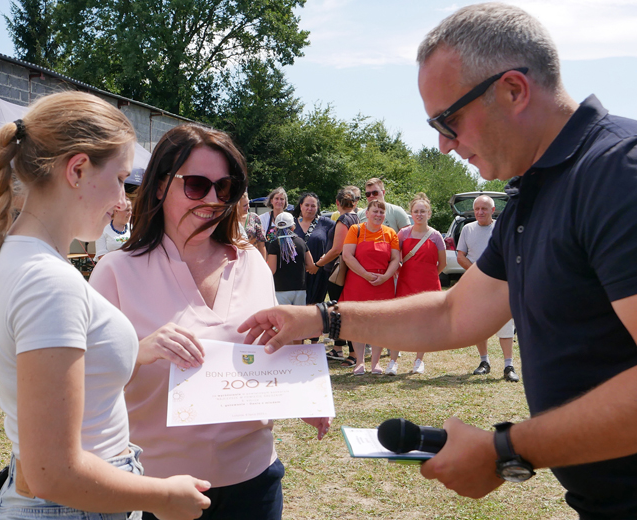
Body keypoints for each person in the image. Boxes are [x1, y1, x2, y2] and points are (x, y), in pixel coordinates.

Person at [238, 4, 637, 518]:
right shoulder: (538, 193)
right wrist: (322, 318)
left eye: (448, 120)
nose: (444, 145)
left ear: (513, 90)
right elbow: (453, 313)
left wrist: (508, 450)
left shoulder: (617, 174)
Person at [0, 91, 210, 520]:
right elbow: (54, 472)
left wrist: (137, 349)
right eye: (120, 178)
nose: (123, 200)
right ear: (77, 169)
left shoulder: (24, 259)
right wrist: (164, 497)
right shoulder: (49, 282)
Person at [90, 123, 330, 520]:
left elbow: (271, 348)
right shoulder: (115, 272)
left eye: (226, 187)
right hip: (159, 490)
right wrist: (140, 351)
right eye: (197, 185)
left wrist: (298, 396)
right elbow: (83, 381)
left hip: (255, 479)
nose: (214, 199)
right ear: (162, 185)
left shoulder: (251, 261)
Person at [456, 195, 519, 382]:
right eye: (477, 209)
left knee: (505, 326)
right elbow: (460, 255)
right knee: (478, 325)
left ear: (493, 210)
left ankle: (509, 366)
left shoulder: (502, 227)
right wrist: (477, 271)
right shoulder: (467, 229)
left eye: (484, 209)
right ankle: (484, 362)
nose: (480, 212)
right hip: (476, 284)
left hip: (501, 284)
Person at [385, 193, 446, 376]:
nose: (419, 214)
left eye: (423, 211)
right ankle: (393, 361)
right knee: (399, 322)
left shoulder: (436, 236)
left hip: (428, 285)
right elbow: (394, 257)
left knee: (424, 323)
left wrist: (430, 275)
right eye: (416, 211)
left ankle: (419, 360)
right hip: (406, 282)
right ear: (411, 213)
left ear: (429, 213)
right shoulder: (403, 233)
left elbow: (442, 263)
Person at [340, 200, 400, 375]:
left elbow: (395, 258)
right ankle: (360, 362)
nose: (378, 215)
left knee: (379, 323)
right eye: (375, 211)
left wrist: (386, 276)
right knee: (358, 322)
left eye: (382, 212)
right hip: (358, 281)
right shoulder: (355, 230)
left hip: (383, 283)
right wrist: (366, 274)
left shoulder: (390, 233)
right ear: (366, 213)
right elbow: (347, 256)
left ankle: (375, 363)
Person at [316, 188, 360, 363]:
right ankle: (337, 349)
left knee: (341, 312)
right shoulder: (356, 217)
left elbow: (336, 249)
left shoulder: (343, 219)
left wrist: (318, 264)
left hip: (337, 272)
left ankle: (353, 353)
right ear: (354, 203)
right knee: (344, 310)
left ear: (337, 203)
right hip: (348, 271)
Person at [291, 192, 334, 305]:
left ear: (318, 207)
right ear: (301, 206)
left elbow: (337, 243)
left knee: (315, 308)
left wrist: (325, 257)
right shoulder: (291, 223)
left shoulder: (326, 223)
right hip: (294, 273)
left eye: (313, 206)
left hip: (318, 272)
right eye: (307, 205)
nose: (309, 208)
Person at [267, 212, 315, 306]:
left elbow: (272, 270)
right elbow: (310, 265)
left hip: (280, 290)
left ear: (276, 228)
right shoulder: (301, 242)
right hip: (300, 289)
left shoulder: (274, 244)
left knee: (284, 319)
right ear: (293, 227)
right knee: (299, 318)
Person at [95, 195, 133, 261]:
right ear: (116, 211)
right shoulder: (103, 229)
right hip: (111, 269)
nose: (130, 213)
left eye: (131, 210)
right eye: (127, 210)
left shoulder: (133, 228)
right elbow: (101, 256)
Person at [236, 192, 267, 259]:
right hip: (236, 259)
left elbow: (261, 244)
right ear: (236, 206)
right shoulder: (230, 221)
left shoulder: (254, 217)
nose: (248, 207)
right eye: (245, 205)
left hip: (252, 258)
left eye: (248, 204)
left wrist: (263, 264)